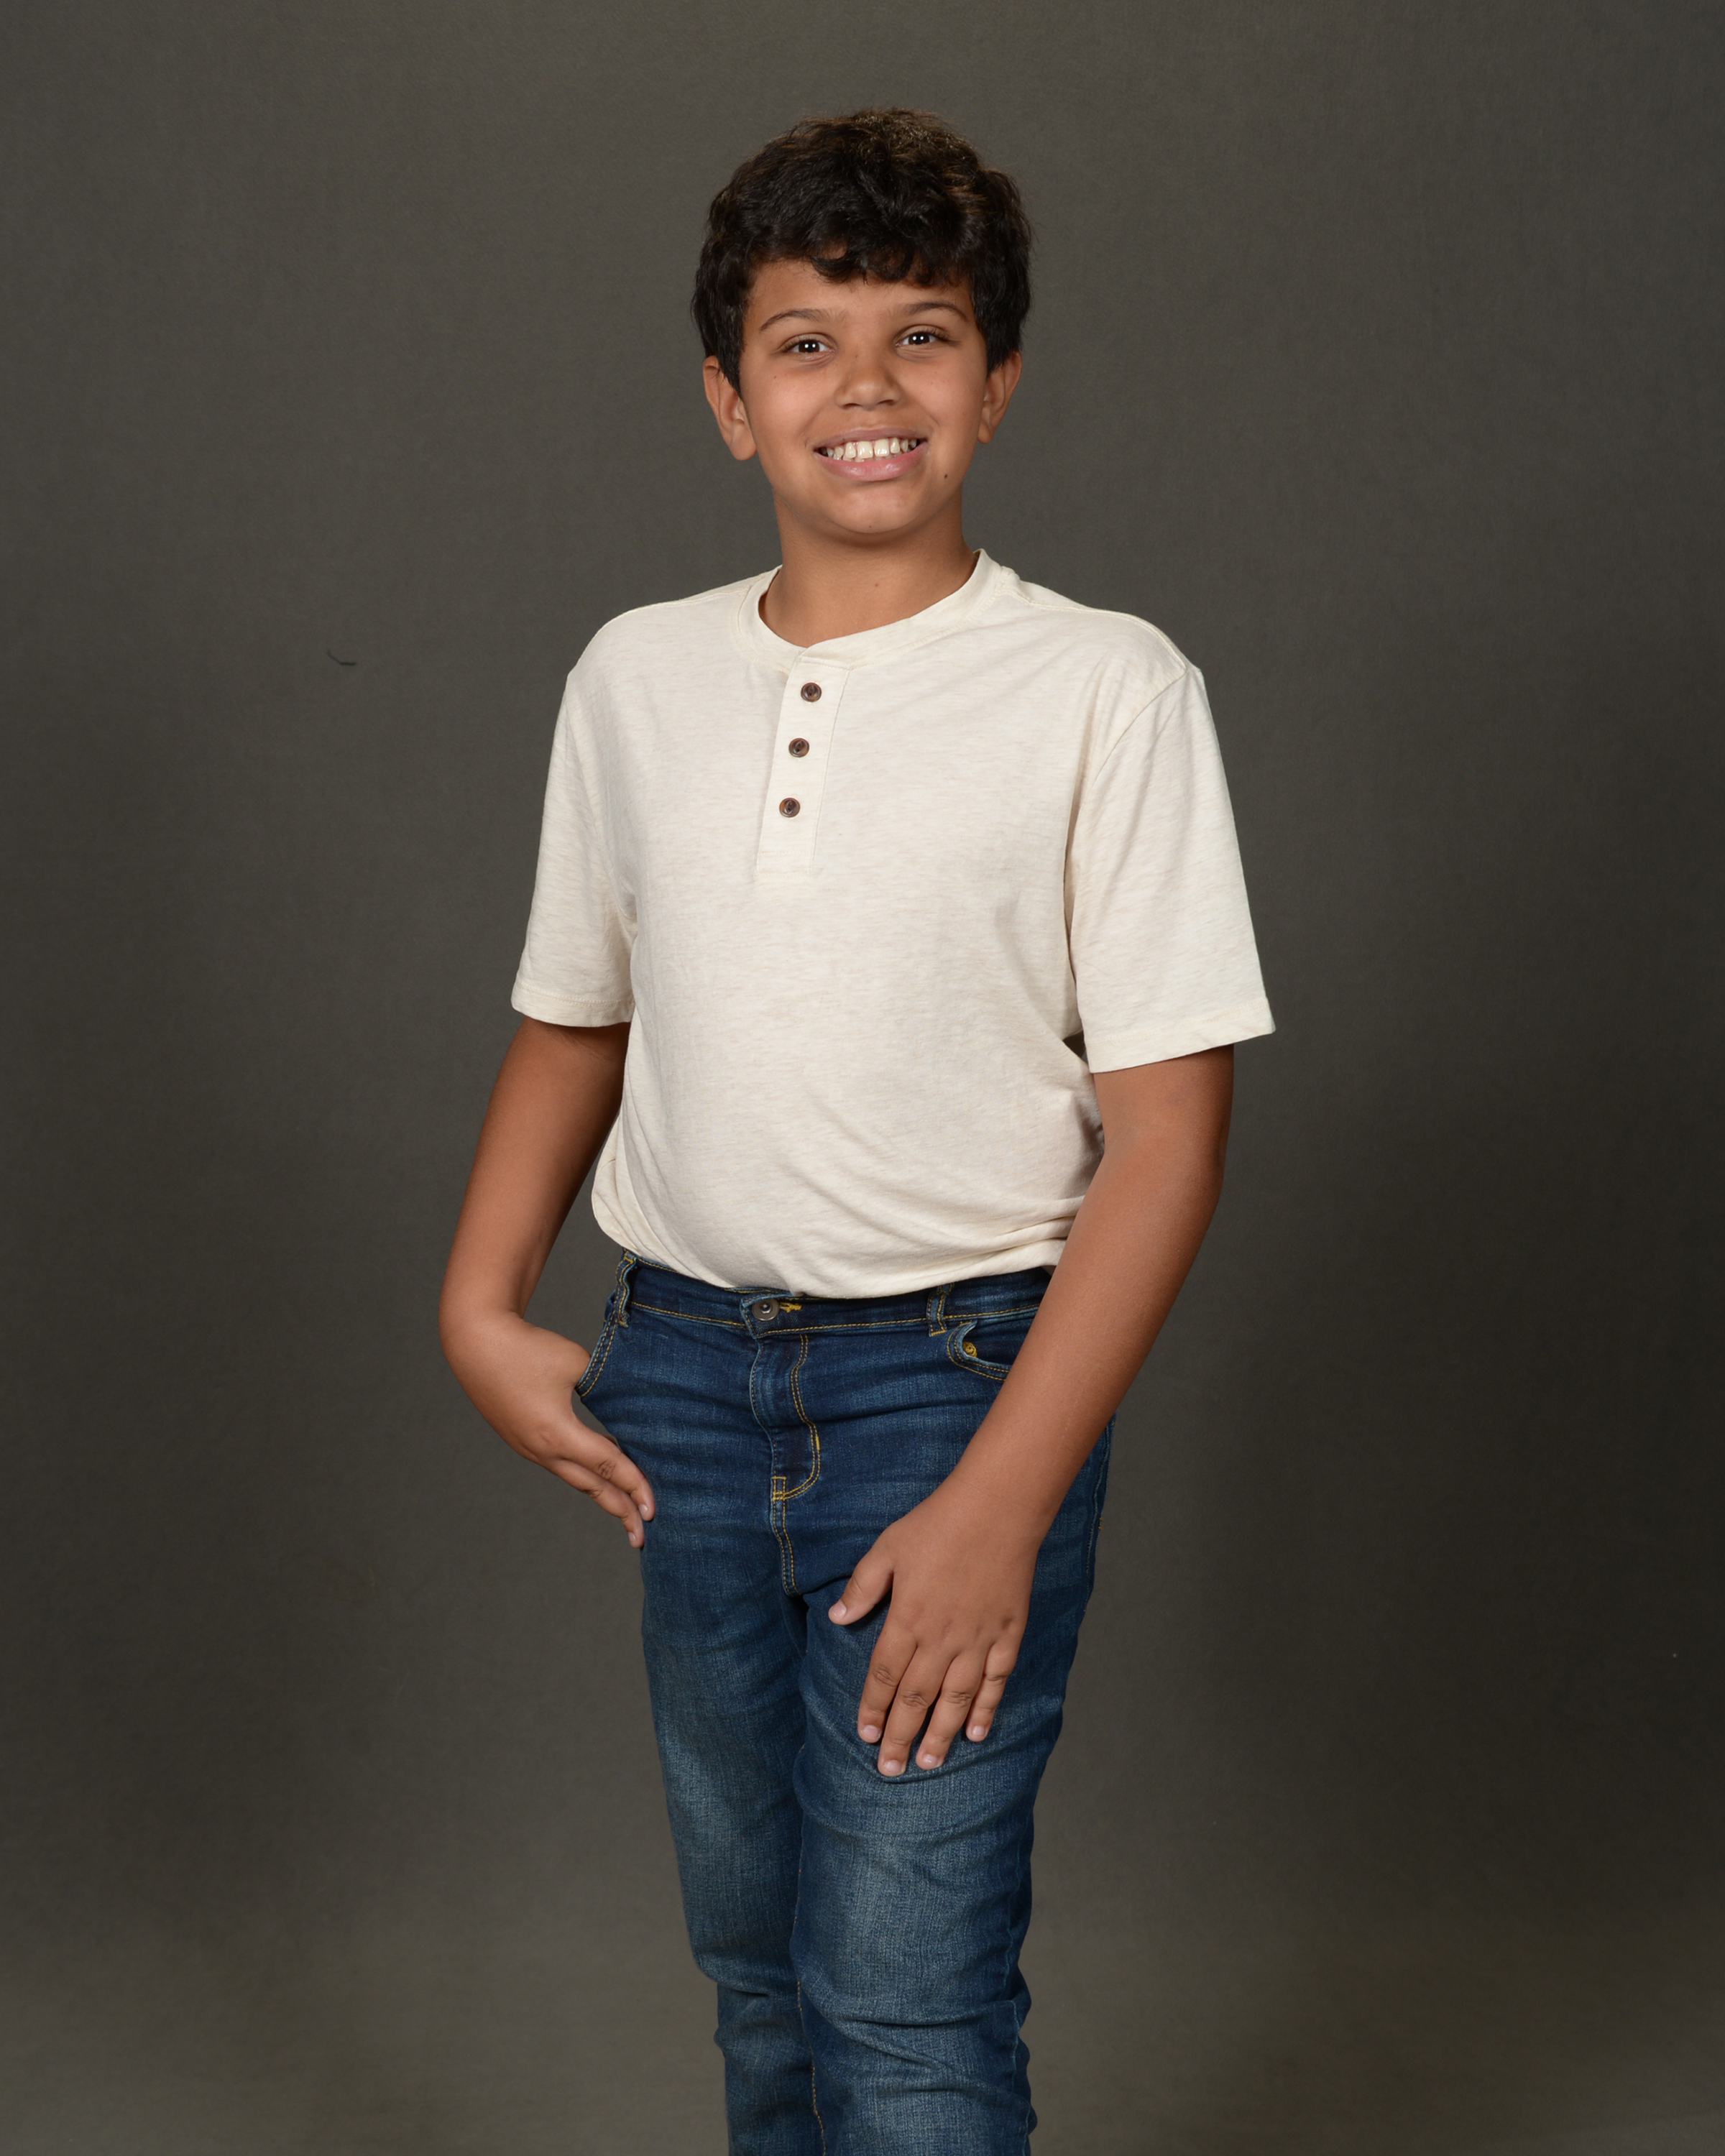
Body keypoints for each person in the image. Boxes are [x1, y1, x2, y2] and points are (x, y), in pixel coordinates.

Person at [439, 107, 1273, 2156]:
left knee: (904, 2000)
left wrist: (1002, 1503)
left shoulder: (1106, 689)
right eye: (807, 343)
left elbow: (1168, 1139)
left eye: (925, 335)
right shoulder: (636, 677)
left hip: (959, 1385)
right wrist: (477, 1304)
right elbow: (575, 1014)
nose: (869, 386)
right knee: (762, 1973)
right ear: (731, 402)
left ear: (1000, 381)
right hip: (679, 1381)